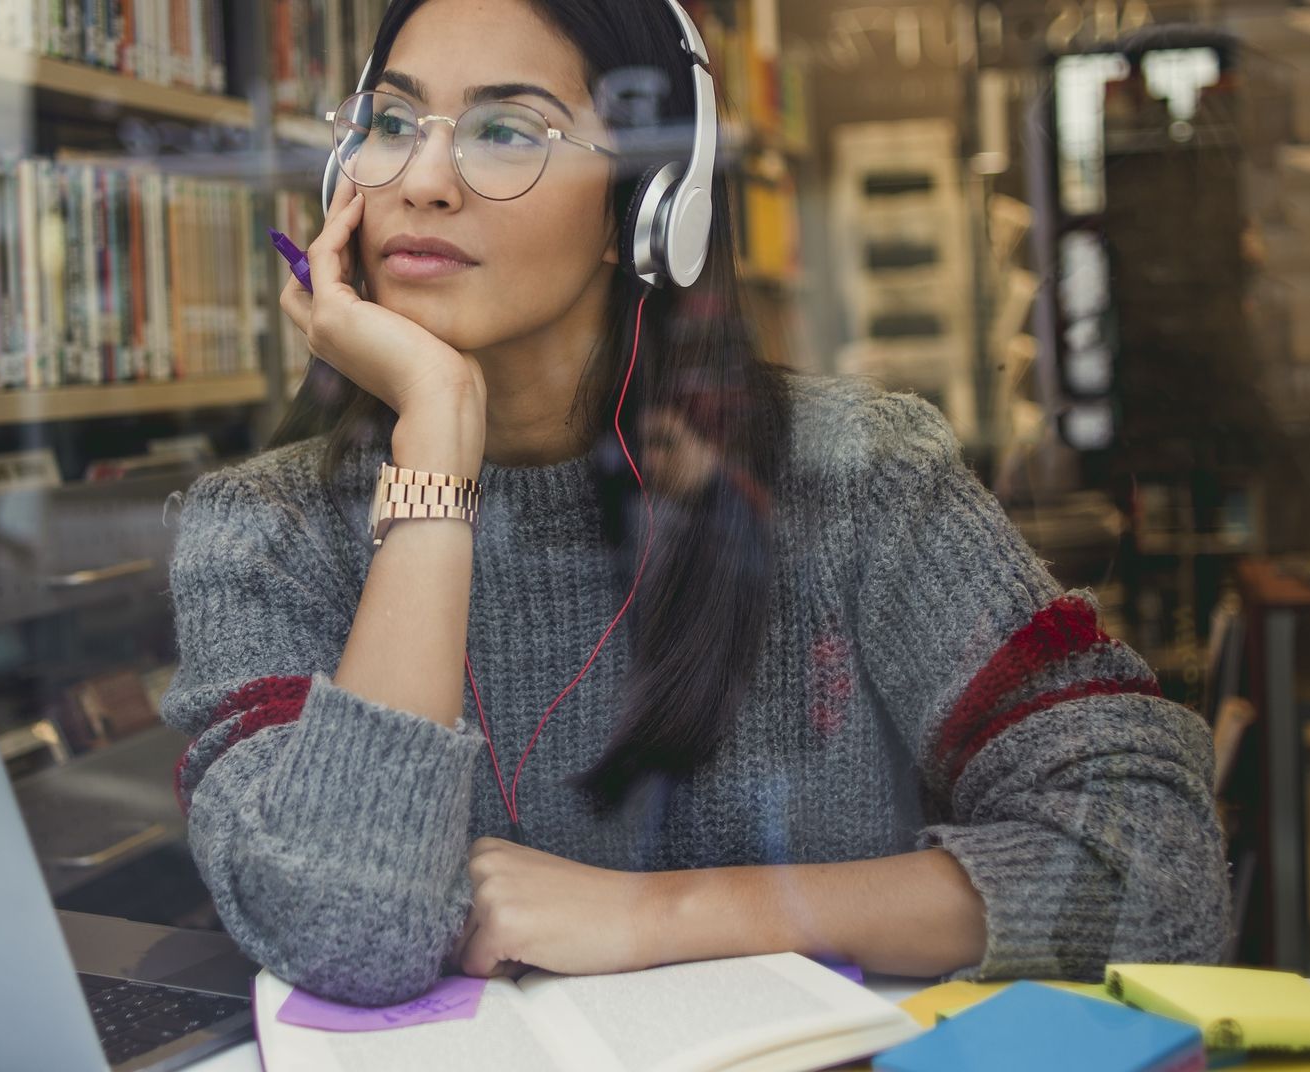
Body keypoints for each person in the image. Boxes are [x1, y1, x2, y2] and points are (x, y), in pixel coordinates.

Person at [160, 0, 1229, 1008]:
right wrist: (436, 427)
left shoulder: (854, 476)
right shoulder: (262, 534)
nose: (422, 178)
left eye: (506, 130)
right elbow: (344, 932)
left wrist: (655, 914)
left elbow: (1154, 861)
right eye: (391, 121)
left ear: (650, 197)